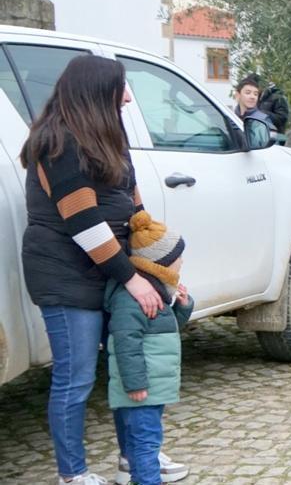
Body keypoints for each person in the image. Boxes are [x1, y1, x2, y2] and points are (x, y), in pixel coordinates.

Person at [20, 55, 185, 485]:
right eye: (121, 88)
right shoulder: (59, 143)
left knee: (124, 366)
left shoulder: (107, 138)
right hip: (65, 276)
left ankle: (136, 456)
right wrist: (131, 278)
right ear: (96, 93)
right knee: (75, 379)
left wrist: (159, 270)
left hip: (109, 272)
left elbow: (137, 211)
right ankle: (72, 474)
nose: (128, 97)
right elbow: (84, 223)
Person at [106, 212, 194, 485]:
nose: (182, 262)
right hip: (141, 389)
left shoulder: (155, 292)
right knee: (146, 443)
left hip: (152, 387)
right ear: (161, 262)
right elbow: (125, 342)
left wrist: (183, 306)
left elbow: (165, 329)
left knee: (142, 441)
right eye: (178, 257)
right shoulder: (131, 299)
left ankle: (138, 478)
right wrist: (134, 384)